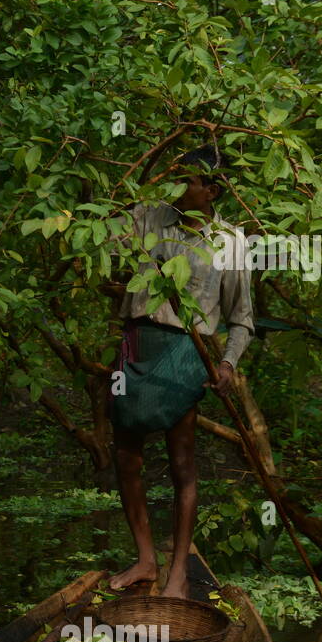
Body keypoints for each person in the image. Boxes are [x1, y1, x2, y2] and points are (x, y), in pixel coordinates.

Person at [108, 146, 254, 598]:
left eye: (188, 180)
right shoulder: (146, 217)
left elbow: (242, 317)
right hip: (137, 341)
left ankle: (177, 574)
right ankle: (146, 560)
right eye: (175, 175)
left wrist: (227, 363)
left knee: (182, 463)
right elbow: (106, 246)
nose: (177, 186)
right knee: (126, 456)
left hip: (185, 352)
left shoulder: (230, 241)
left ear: (210, 191)